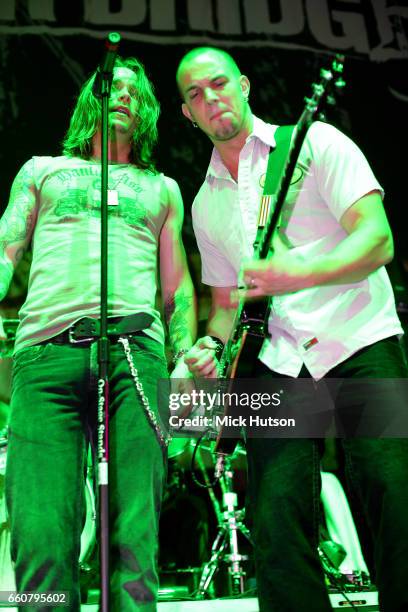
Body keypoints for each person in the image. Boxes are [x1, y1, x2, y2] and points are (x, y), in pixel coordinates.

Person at [176, 46, 408, 612]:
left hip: (359, 339)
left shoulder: (317, 142)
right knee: (276, 518)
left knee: (395, 496)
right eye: (194, 94)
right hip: (275, 361)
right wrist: (207, 346)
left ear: (245, 85)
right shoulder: (205, 203)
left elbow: (377, 239)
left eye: (218, 84)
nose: (210, 99)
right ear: (187, 114)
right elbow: (229, 304)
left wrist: (295, 271)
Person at [0, 56, 195, 611]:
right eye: (113, 86)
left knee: (133, 534)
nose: (125, 95)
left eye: (137, 91)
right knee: (40, 529)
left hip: (137, 354)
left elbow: (177, 288)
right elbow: (6, 247)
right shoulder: (42, 170)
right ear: (92, 98)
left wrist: (181, 361)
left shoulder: (163, 188)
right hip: (46, 352)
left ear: (147, 112)